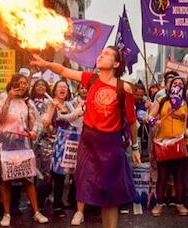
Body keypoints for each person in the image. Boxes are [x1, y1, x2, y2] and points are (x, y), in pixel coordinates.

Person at [30, 46, 140, 228]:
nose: (100, 55)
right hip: (89, 142)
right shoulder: (91, 79)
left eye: (106, 54)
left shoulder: (124, 88)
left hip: (111, 145)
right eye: (100, 52)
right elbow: (64, 70)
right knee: (85, 185)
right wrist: (45, 64)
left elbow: (131, 120)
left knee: (110, 196)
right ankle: (80, 212)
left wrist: (135, 147)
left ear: (116, 63)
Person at [0, 74, 48, 226]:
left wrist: (34, 132)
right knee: (6, 179)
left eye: (25, 83)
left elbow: (36, 121)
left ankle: (36, 212)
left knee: (28, 179)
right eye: (20, 82)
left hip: (23, 144)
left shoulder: (28, 102)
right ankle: (6, 214)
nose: (23, 86)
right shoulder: (4, 97)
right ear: (13, 83)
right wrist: (9, 99)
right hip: (5, 145)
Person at [149, 76, 188, 216]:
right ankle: (159, 204)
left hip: (180, 144)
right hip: (164, 144)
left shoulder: (187, 103)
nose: (177, 86)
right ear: (169, 86)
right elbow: (148, 118)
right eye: (175, 83)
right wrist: (155, 121)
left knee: (179, 177)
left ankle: (179, 204)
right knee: (163, 177)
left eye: (180, 84)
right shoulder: (161, 101)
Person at [41, 80, 83, 222]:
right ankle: (44, 203)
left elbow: (76, 122)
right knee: (50, 176)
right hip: (51, 143)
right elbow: (45, 123)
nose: (63, 89)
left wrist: (77, 111)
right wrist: (54, 108)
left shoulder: (70, 104)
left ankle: (63, 203)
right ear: (54, 90)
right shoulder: (48, 103)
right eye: (60, 87)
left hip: (70, 143)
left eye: (65, 87)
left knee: (68, 175)